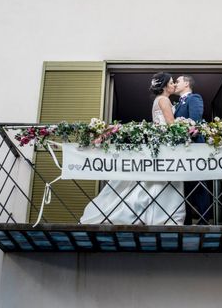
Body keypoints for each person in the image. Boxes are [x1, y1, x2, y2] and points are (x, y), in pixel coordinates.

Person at [79, 72, 185, 225]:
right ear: (164, 86)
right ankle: (161, 216)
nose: (173, 85)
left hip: (159, 142)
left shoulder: (158, 100)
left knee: (152, 181)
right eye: (170, 83)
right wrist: (186, 125)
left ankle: (152, 213)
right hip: (165, 145)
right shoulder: (164, 100)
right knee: (162, 179)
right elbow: (171, 124)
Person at [173, 75, 212, 224]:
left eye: (178, 81)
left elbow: (194, 123)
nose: (175, 84)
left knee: (199, 183)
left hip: (194, 147)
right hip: (182, 150)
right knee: (185, 185)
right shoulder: (177, 105)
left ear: (187, 83)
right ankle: (187, 220)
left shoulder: (194, 98)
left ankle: (204, 220)